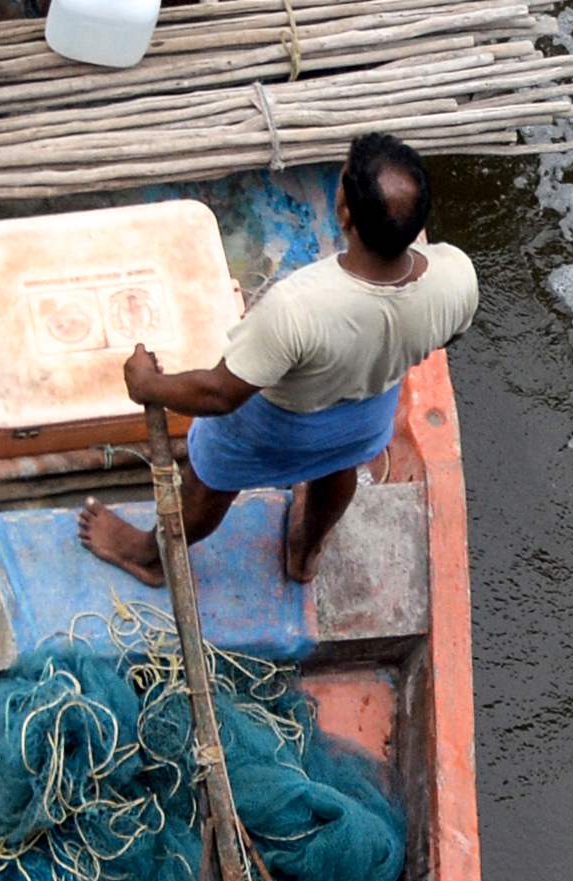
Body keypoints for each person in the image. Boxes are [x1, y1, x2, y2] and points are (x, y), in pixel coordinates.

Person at [82, 130, 475, 587]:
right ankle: (306, 553)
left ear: (344, 212)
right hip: (365, 415)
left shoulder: (296, 308)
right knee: (338, 466)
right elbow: (450, 333)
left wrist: (148, 385)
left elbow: (220, 394)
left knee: (209, 482)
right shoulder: (456, 276)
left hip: (276, 426)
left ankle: (150, 558)